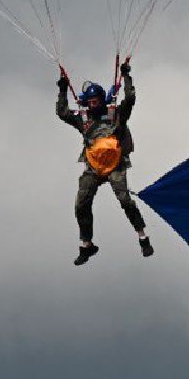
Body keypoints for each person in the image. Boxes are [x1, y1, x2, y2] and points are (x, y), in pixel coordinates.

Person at [56, 59, 152, 265]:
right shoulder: (82, 118)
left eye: (96, 101)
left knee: (125, 200)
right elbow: (62, 113)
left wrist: (126, 76)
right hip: (93, 167)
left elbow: (131, 99)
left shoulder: (115, 114)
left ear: (101, 99)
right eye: (90, 102)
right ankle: (86, 245)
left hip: (115, 164)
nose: (93, 104)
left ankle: (143, 238)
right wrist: (63, 89)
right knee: (81, 204)